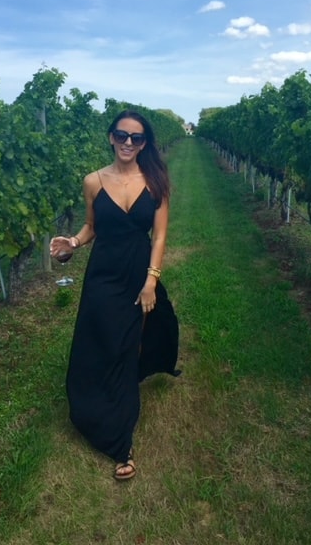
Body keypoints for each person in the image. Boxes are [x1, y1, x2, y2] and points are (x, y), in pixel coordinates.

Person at [50, 109, 179, 481]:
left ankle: (122, 444)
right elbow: (92, 226)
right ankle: (92, 407)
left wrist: (151, 280)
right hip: (102, 275)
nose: (128, 143)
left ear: (144, 144)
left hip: (138, 274)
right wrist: (71, 243)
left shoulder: (156, 181)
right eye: (122, 135)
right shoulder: (93, 181)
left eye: (136, 138)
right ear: (110, 137)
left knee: (125, 348)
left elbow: (159, 237)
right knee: (99, 343)